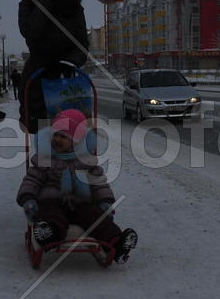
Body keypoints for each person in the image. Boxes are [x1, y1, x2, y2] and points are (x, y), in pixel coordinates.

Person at [16, 109, 138, 264]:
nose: (57, 140)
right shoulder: (45, 159)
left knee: (96, 217)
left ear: (77, 141)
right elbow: (32, 180)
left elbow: (98, 182)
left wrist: (105, 201)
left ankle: (117, 242)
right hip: (52, 200)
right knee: (50, 213)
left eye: (64, 136)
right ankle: (48, 233)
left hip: (81, 202)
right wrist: (28, 198)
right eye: (55, 135)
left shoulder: (86, 161)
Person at [17, 0, 89, 132]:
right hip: (37, 76)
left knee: (69, 132)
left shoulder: (75, 9)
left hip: (65, 77)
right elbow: (30, 33)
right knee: (42, 133)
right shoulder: (28, 5)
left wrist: (70, 62)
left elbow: (82, 44)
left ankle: (68, 161)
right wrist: (45, 2)